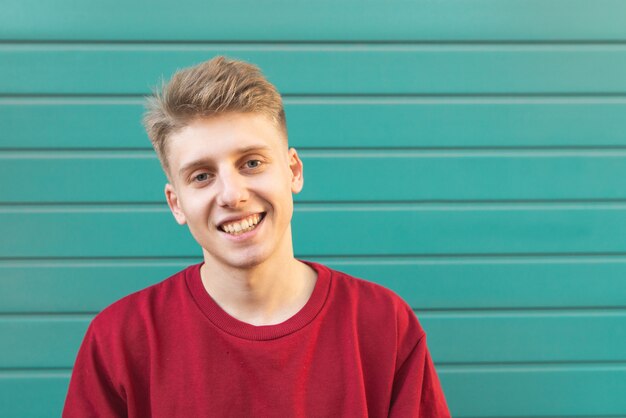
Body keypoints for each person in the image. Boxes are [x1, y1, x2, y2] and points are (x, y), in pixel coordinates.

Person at [63, 56, 450, 417]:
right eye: (202, 175)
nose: (232, 194)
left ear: (293, 171)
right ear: (176, 203)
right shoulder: (119, 341)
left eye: (251, 163)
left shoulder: (383, 324)